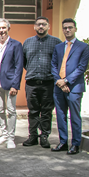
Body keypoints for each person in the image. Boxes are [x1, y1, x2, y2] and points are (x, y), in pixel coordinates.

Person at [51, 18, 89, 155]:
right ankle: (63, 142)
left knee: (74, 116)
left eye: (70, 27)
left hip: (74, 87)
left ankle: (75, 144)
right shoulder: (58, 47)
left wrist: (66, 81)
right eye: (65, 28)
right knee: (60, 115)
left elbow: (81, 68)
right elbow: (54, 66)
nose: (67, 30)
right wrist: (59, 82)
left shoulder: (83, 47)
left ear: (75, 29)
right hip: (59, 87)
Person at [22, 16, 62, 148]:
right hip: (31, 83)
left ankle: (44, 136)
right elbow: (24, 62)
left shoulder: (56, 42)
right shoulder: (27, 42)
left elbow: (59, 62)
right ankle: (32, 136)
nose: (41, 27)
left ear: (48, 26)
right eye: (38, 24)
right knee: (32, 111)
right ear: (34, 26)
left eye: (44, 24)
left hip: (48, 83)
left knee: (46, 111)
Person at [0, 18, 23, 149]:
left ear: (8, 28)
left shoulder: (16, 44)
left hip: (10, 83)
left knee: (11, 110)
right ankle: (4, 134)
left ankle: (11, 138)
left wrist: (15, 85)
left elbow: (19, 66)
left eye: (3, 28)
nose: (1, 31)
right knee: (0, 109)